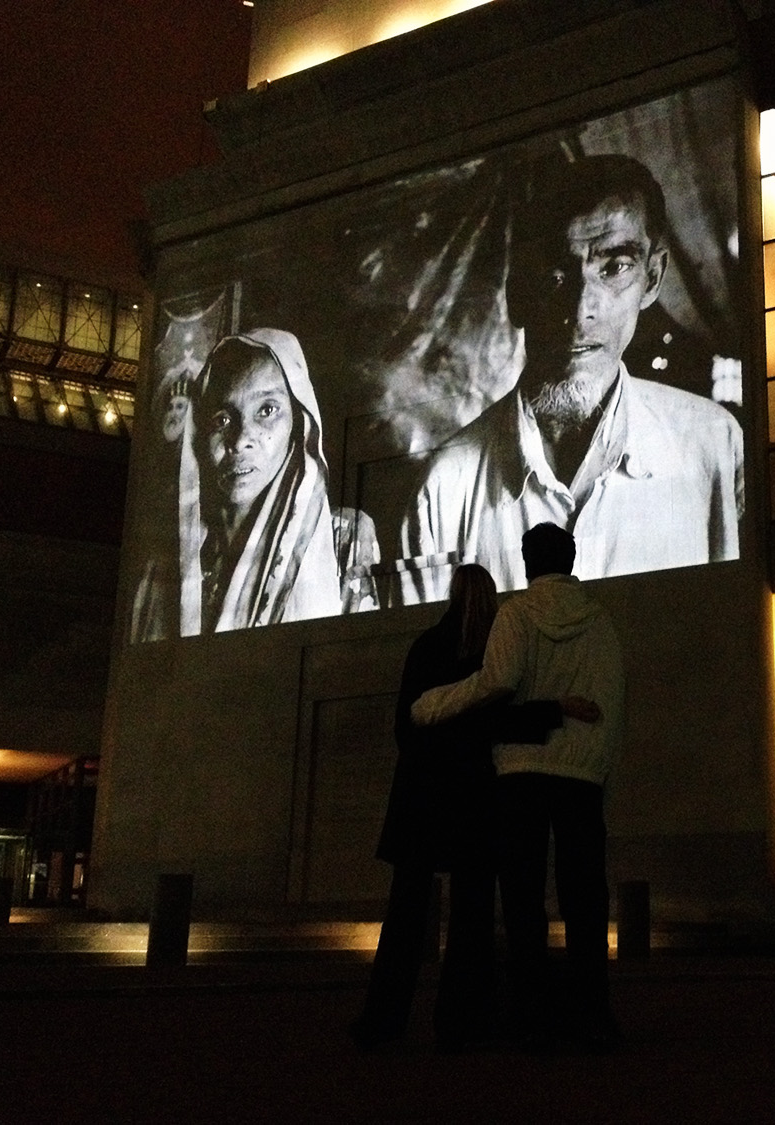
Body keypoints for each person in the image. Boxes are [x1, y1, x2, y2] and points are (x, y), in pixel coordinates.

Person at [399, 154, 743, 603]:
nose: (582, 310)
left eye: (614, 268)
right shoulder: (445, 489)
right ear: (517, 294)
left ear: (653, 279)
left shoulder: (714, 446)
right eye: (555, 275)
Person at [351, 563, 583, 1051]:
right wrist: (556, 709)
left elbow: (405, 726)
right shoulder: (493, 653)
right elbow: (500, 721)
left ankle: (383, 1023)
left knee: (405, 918)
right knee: (472, 915)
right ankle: (462, 1022)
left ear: (451, 593)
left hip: (421, 796)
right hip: (476, 797)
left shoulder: (425, 647)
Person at [412, 523, 625, 1048]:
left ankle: (531, 1016)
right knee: (585, 898)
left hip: (520, 773)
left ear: (527, 561)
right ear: (571, 559)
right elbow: (613, 704)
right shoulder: (601, 622)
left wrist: (431, 704)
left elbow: (498, 681)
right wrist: (597, 767)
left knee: (525, 898)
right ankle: (592, 1015)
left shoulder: (517, 614)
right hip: (580, 775)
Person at [128, 329, 379, 639]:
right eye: (222, 419)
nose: (241, 439)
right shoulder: (165, 567)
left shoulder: (344, 539)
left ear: (298, 425)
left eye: (267, 410)